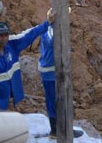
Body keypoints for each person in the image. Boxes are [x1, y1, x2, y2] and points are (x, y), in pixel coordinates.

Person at [38, 9, 84, 138]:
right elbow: (52, 42)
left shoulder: (52, 29)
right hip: (51, 73)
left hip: (53, 72)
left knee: (56, 102)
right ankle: (61, 131)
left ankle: (56, 130)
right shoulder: (51, 30)